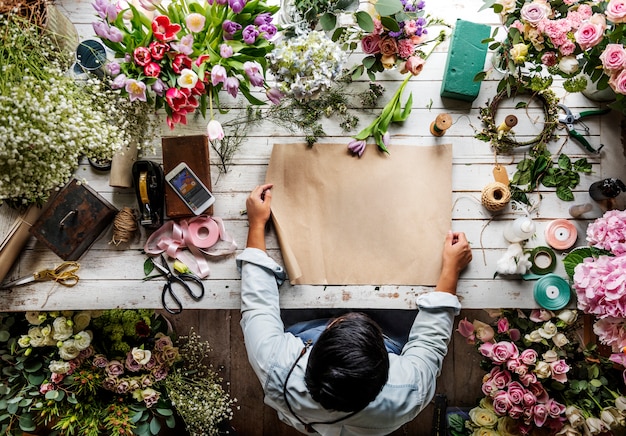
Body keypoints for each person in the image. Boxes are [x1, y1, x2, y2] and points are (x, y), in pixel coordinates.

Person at [237, 183, 473, 435]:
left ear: (312, 358)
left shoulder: (277, 366)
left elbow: (258, 304)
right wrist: (451, 270)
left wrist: (257, 225)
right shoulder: (408, 391)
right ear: (386, 370)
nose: (343, 317)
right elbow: (429, 342)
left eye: (337, 324)